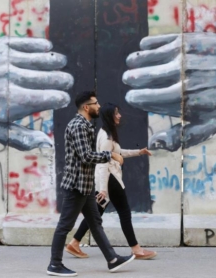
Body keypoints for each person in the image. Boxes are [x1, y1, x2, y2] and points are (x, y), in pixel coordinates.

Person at [47, 92, 135, 277]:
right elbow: (85, 155)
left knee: (95, 222)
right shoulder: (79, 125)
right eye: (96, 103)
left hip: (85, 186)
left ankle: (112, 259)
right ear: (87, 107)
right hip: (77, 186)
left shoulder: (85, 125)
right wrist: (110, 155)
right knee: (65, 226)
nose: (99, 106)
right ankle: (54, 265)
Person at [65, 102, 157, 261]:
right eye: (116, 113)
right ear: (109, 116)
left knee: (95, 214)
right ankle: (136, 249)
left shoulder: (107, 133)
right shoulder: (106, 137)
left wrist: (139, 152)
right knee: (124, 212)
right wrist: (103, 189)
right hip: (110, 179)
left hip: (107, 180)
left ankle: (74, 242)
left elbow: (118, 153)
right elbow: (102, 163)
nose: (119, 115)